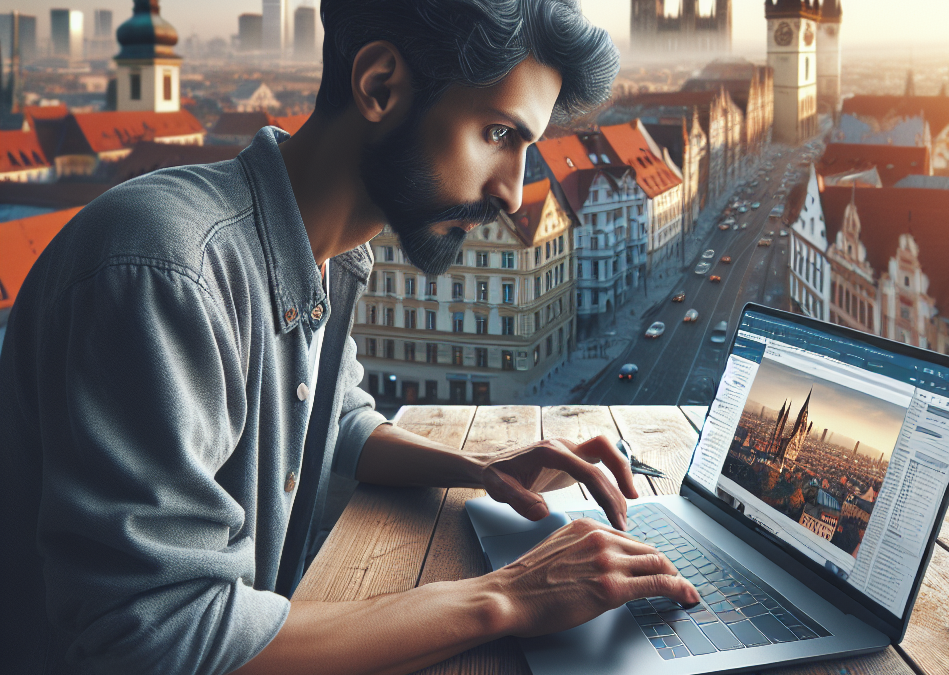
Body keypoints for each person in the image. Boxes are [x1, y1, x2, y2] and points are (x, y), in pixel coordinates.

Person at [0, 1, 699, 673]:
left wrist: (481, 466)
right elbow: (158, 635)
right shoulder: (168, 269)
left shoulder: (324, 252)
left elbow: (337, 421)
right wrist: (508, 596)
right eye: (498, 135)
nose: (514, 192)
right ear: (380, 85)